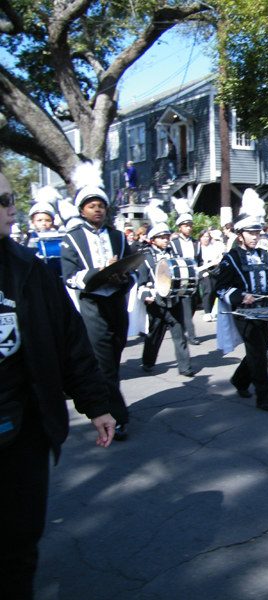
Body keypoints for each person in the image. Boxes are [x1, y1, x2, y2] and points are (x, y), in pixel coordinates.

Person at [0, 171, 116, 600]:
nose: (13, 207)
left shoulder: (29, 270)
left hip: (22, 431)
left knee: (17, 546)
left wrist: (96, 403)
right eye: (3, 200)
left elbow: (70, 341)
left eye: (11, 197)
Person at [60, 162, 134, 441]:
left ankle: (109, 406)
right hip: (91, 305)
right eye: (91, 206)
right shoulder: (71, 238)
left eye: (101, 205)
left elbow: (132, 268)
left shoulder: (117, 236)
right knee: (103, 364)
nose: (98, 209)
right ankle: (117, 417)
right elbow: (69, 276)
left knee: (113, 361)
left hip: (116, 303)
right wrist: (99, 274)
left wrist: (121, 277)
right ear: (82, 210)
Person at [215, 189, 268, 411]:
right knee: (257, 353)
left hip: (264, 311)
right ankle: (265, 397)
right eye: (251, 233)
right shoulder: (230, 258)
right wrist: (240, 296)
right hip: (243, 313)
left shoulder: (264, 255)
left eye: (258, 232)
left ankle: (239, 380)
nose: (255, 236)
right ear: (240, 234)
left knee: (259, 351)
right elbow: (221, 288)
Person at [136, 204, 194, 377]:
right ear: (153, 239)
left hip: (173, 300)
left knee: (179, 333)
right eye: (161, 238)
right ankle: (147, 361)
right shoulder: (145, 257)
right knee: (155, 334)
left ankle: (185, 367)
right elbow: (141, 281)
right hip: (156, 302)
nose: (165, 240)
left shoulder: (173, 253)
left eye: (166, 237)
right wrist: (146, 295)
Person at [169, 200, 201, 345]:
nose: (188, 229)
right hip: (181, 280)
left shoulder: (196, 243)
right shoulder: (174, 244)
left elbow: (199, 260)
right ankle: (192, 335)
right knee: (186, 307)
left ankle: (183, 328)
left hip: (195, 278)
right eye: (185, 226)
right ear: (180, 227)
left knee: (193, 306)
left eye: (190, 226)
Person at [198, 230, 223, 321]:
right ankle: (207, 311)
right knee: (207, 290)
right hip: (202, 270)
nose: (205, 239)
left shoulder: (213, 247)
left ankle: (212, 310)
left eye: (207, 237)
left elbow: (218, 259)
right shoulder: (198, 248)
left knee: (213, 290)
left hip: (213, 270)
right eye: (203, 237)